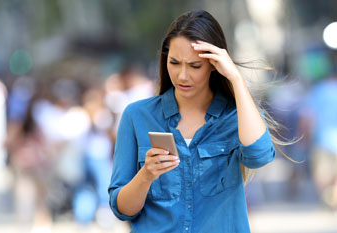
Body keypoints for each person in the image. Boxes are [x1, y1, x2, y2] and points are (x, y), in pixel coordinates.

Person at [108, 10, 276, 232]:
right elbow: (122, 210)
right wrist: (146, 174)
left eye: (194, 66)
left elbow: (259, 155)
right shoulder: (137, 115)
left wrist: (236, 79)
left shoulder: (236, 116)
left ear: (213, 65)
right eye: (175, 63)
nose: (182, 75)